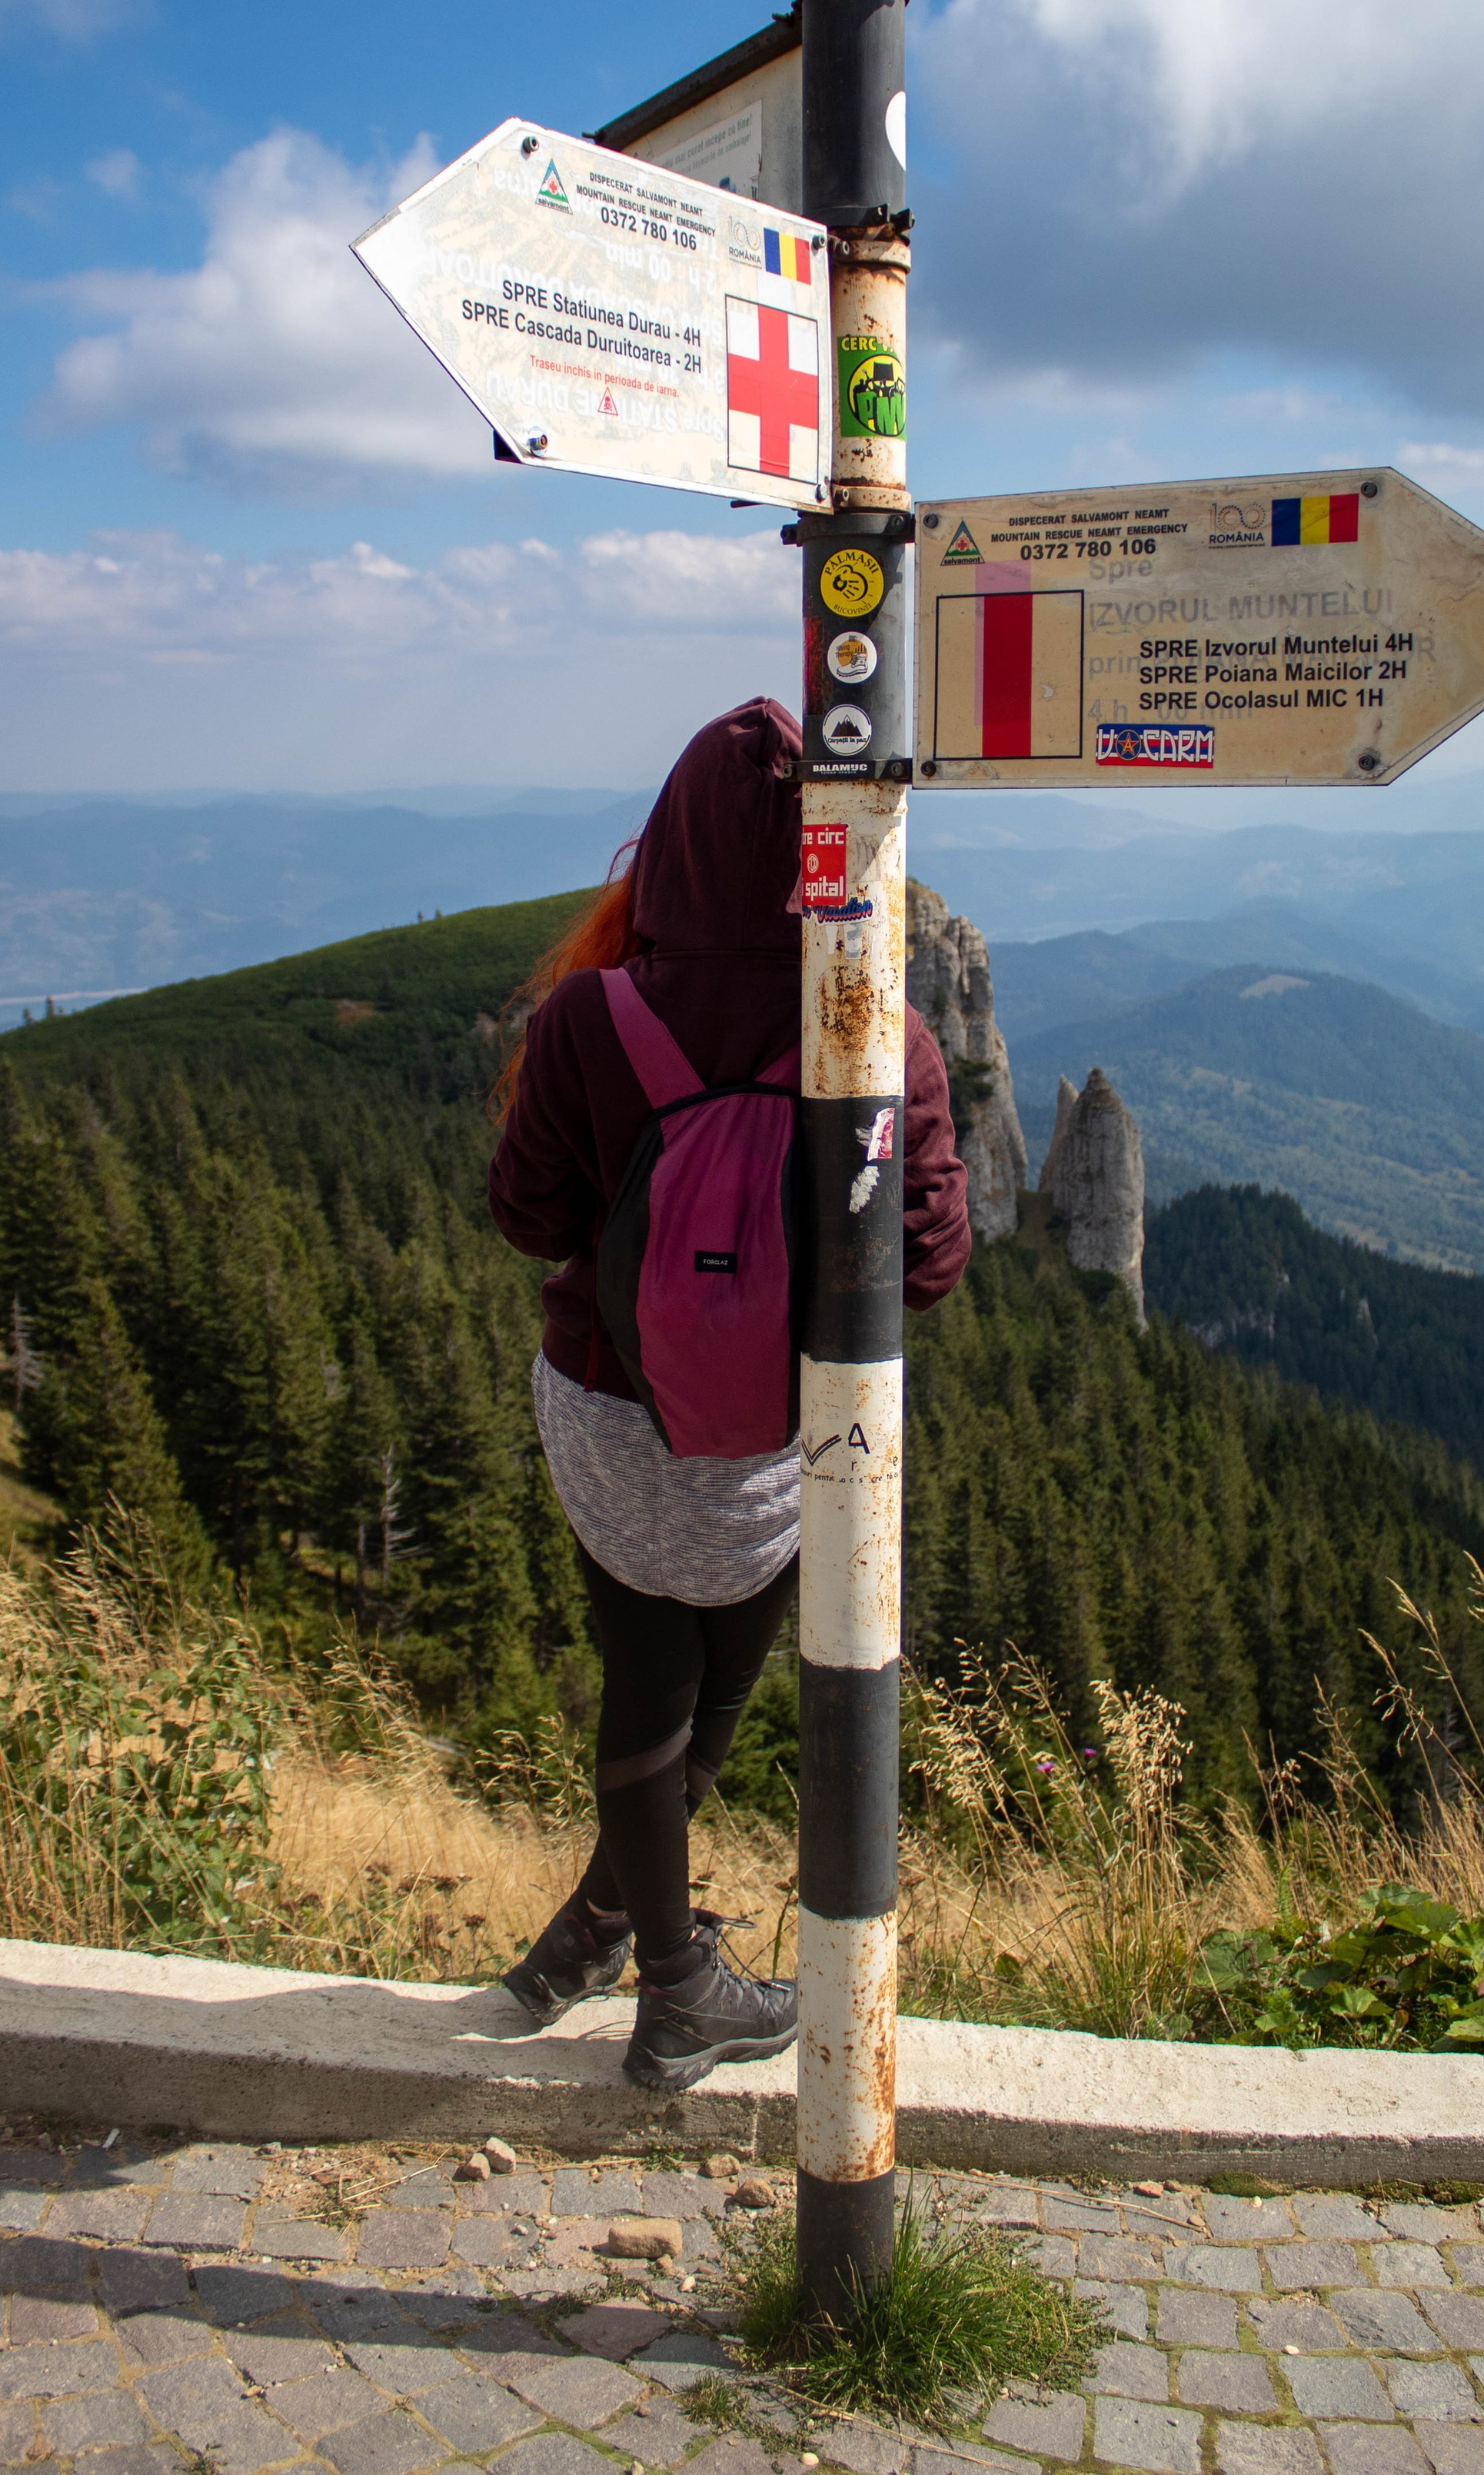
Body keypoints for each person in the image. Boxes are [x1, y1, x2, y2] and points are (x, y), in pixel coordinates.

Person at [486, 696, 970, 2091]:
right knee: (714, 1701)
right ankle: (674, 1990)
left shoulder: (592, 1015)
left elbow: (529, 1216)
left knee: (647, 1681)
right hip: (788, 1424)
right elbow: (924, 1268)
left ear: (677, 842)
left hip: (609, 1399)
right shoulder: (880, 1032)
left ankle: (601, 1936)